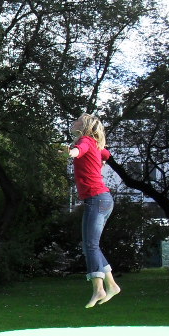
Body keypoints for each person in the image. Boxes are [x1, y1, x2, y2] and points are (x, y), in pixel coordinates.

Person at [68, 113, 120, 308]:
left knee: (90, 245)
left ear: (84, 126)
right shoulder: (95, 144)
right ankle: (111, 285)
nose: (74, 122)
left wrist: (71, 152)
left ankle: (99, 289)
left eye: (77, 120)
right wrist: (101, 159)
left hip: (97, 199)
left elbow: (79, 150)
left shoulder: (85, 141)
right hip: (103, 199)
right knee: (91, 245)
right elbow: (106, 154)